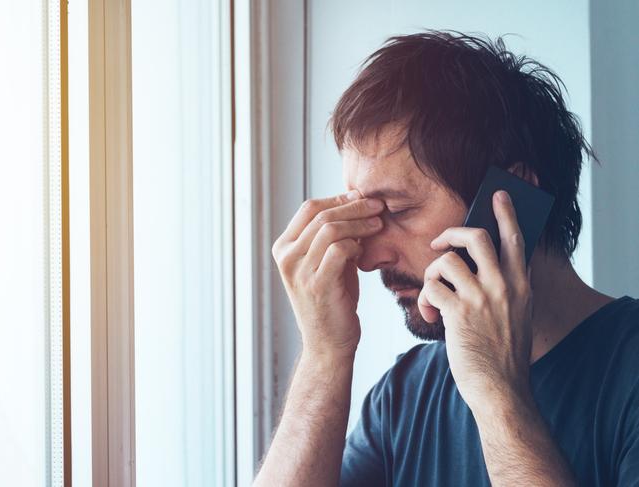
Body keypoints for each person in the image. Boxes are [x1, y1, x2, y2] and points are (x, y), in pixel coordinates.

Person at [253, 31, 639, 486]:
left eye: (396, 211)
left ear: (507, 202)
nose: (367, 258)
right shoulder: (403, 396)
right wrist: (324, 352)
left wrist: (496, 391)